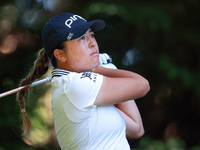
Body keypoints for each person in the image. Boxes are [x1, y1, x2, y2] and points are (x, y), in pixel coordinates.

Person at [17, 12, 150, 150]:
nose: (93, 43)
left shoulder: (86, 88)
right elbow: (142, 85)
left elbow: (136, 128)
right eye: (81, 38)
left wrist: (106, 69)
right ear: (60, 54)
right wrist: (100, 69)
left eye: (91, 35)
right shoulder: (73, 86)